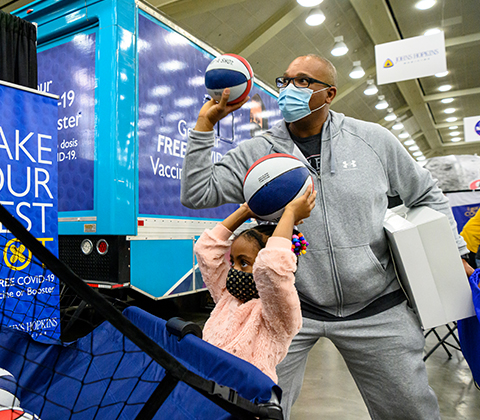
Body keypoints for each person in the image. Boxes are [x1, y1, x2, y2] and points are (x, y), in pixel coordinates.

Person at [181, 54, 475, 419]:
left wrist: (456, 251)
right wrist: (204, 127)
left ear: (329, 93)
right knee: (255, 408)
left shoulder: (373, 140)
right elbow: (196, 193)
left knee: (411, 412)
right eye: (285, 81)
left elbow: (426, 194)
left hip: (377, 306)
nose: (289, 89)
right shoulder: (257, 152)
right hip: (289, 310)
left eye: (302, 82)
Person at [195, 187, 316, 382]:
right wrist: (246, 211)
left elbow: (272, 268)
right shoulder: (227, 296)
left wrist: (290, 214)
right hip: (203, 384)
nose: (234, 270)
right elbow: (206, 252)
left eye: (244, 263)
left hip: (243, 396)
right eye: (232, 261)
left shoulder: (279, 314)